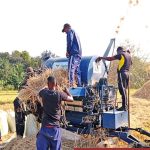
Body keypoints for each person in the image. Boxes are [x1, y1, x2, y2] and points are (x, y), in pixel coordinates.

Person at [36, 76, 74, 150]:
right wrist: (66, 91)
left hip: (45, 128)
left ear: (48, 84)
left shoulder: (44, 93)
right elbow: (71, 99)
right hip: (55, 130)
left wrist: (45, 87)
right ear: (56, 85)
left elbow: (38, 92)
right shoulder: (60, 94)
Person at [95, 47, 132, 111]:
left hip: (122, 73)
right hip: (127, 74)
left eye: (117, 52)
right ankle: (125, 105)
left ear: (119, 50)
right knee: (124, 90)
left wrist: (101, 57)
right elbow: (130, 63)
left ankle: (124, 106)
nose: (117, 53)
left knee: (122, 90)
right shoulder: (128, 55)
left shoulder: (121, 54)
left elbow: (110, 58)